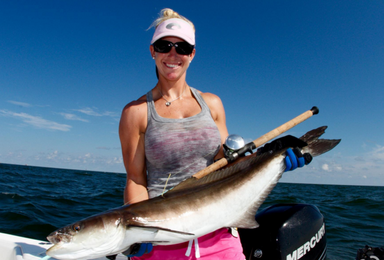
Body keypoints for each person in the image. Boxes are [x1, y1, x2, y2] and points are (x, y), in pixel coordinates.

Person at [119, 8, 308, 260]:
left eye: (182, 48)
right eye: (165, 46)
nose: (173, 54)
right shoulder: (135, 112)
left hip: (220, 233)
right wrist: (138, 232)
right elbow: (136, 180)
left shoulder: (213, 104)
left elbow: (226, 165)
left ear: (192, 54)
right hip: (161, 240)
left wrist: (277, 157)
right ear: (152, 51)